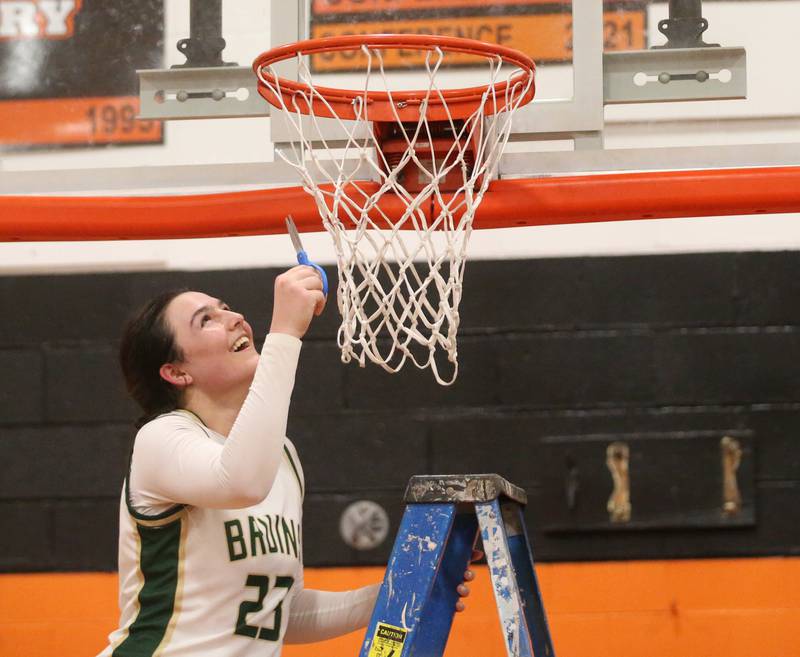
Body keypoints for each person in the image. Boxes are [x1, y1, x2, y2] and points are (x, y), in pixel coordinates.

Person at [98, 265, 474, 657]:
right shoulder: (161, 438)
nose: (235, 318)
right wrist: (285, 334)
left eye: (226, 307)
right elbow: (240, 483)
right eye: (206, 320)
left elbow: (281, 613)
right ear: (175, 372)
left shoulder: (282, 457)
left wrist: (396, 591)